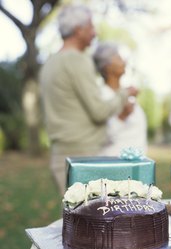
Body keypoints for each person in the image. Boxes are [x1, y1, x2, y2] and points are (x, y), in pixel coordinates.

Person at [39, 5, 129, 195]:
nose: (94, 33)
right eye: (91, 27)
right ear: (78, 30)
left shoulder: (50, 62)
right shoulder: (78, 60)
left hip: (60, 154)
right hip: (83, 157)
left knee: (72, 220)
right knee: (88, 221)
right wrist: (124, 94)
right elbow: (99, 112)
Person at [93, 42, 148, 155]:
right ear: (107, 66)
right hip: (115, 164)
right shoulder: (101, 95)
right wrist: (122, 117)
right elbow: (100, 135)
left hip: (136, 165)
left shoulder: (127, 93)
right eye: (118, 58)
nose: (124, 62)